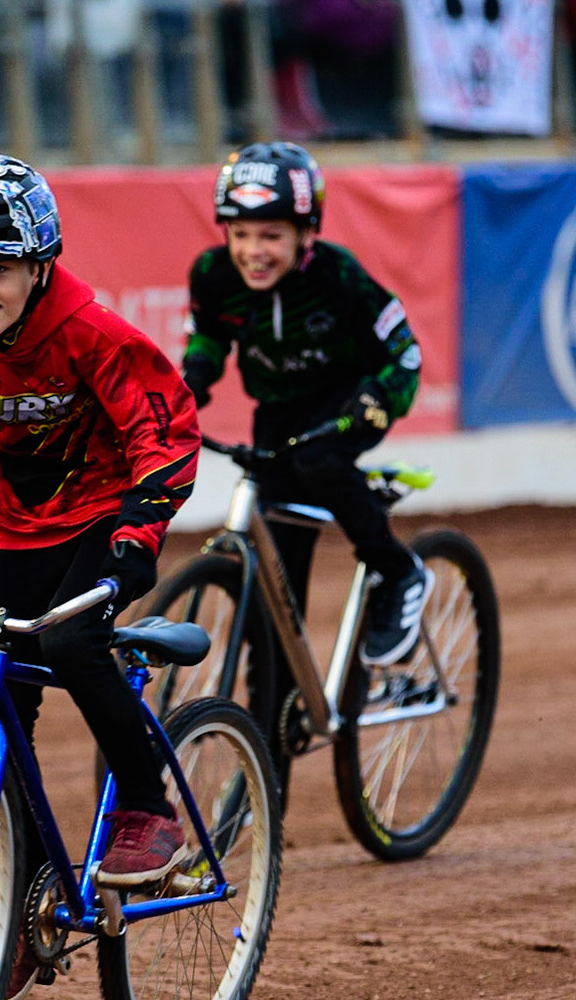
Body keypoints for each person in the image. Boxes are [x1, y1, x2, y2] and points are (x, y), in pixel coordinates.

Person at [0, 153, 202, 995]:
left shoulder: (90, 331)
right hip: (19, 531)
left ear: (38, 262)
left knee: (70, 642)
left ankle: (146, 803)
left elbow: (162, 434)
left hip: (101, 515)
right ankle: (27, 895)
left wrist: (139, 532)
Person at [181, 140, 431, 689]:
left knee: (318, 460)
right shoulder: (213, 274)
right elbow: (208, 336)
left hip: (349, 399)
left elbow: (405, 354)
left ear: (305, 233)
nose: (254, 251)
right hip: (276, 411)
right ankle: (276, 726)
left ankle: (399, 572)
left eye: (272, 236)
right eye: (241, 234)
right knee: (278, 591)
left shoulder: (338, 277)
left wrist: (379, 400)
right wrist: (192, 382)